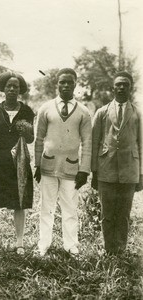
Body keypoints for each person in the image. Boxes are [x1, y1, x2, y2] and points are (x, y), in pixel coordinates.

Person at [34, 68, 92, 256]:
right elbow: (39, 138)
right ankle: (43, 245)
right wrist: (37, 164)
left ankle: (71, 246)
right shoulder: (46, 108)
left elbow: (88, 143)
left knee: (70, 208)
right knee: (46, 207)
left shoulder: (83, 112)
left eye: (69, 82)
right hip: (48, 166)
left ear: (75, 84)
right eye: (62, 82)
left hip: (71, 167)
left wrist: (84, 170)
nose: (66, 85)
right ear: (57, 84)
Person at [91, 71, 143, 255]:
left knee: (123, 214)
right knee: (107, 214)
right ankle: (108, 248)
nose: (121, 88)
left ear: (130, 88)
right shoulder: (102, 112)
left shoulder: (137, 113)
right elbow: (94, 142)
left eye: (125, 85)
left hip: (129, 170)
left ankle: (120, 249)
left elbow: (141, 143)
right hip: (107, 170)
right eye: (118, 85)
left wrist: (141, 173)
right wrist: (94, 172)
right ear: (113, 88)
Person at [0, 71, 34, 256]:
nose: (12, 89)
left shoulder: (27, 111)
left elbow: (30, 139)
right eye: (9, 86)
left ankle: (20, 243)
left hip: (18, 162)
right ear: (3, 89)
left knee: (19, 202)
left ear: (20, 90)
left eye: (16, 86)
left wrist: (26, 130)